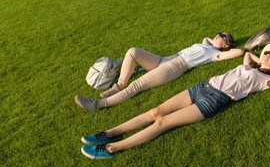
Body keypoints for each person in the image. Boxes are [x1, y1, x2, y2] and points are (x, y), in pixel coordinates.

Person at [80, 44, 270, 159]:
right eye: (268, 53)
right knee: (154, 111)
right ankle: (108, 133)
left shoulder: (265, 80)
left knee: (162, 123)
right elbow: (247, 55)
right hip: (203, 86)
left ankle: (111, 148)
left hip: (216, 100)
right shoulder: (253, 65)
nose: (268, 55)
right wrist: (261, 59)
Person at [75, 32, 244, 111]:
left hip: (175, 67)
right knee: (133, 51)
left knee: (137, 85)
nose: (217, 34)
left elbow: (239, 52)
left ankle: (97, 105)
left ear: (226, 44)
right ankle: (119, 85)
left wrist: (225, 49)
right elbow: (206, 39)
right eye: (219, 33)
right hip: (166, 59)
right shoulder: (207, 45)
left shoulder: (215, 54)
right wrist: (214, 41)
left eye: (222, 35)